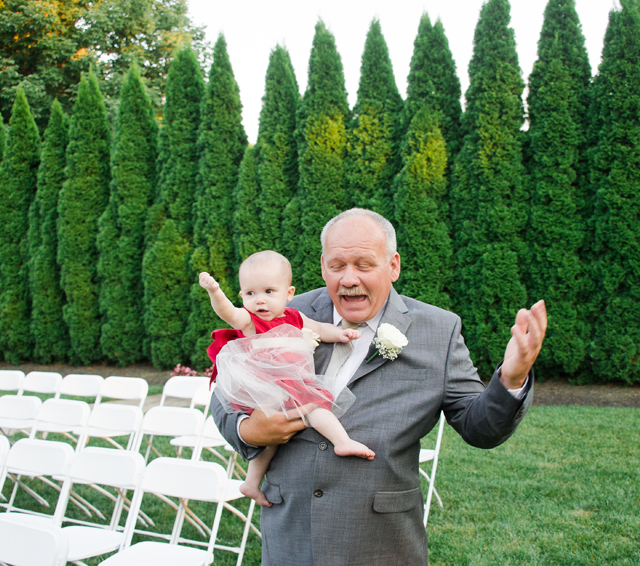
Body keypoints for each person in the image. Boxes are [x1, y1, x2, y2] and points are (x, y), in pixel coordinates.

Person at [211, 209, 547, 566]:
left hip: (380, 544)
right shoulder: (283, 313)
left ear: (393, 266)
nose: (349, 279)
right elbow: (226, 389)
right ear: (323, 266)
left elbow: (480, 428)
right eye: (337, 266)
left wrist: (511, 379)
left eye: (364, 265)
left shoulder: (439, 330)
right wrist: (249, 430)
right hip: (290, 539)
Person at [200, 250, 375, 507]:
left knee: (280, 433)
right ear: (242, 296)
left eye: (269, 292)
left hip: (289, 383)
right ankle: (342, 441)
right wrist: (214, 291)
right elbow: (228, 313)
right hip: (267, 385)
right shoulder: (250, 321)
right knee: (307, 411)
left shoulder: (295, 318)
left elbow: (321, 329)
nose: (260, 301)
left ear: (289, 293)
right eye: (251, 294)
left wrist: (341, 335)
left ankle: (251, 483)